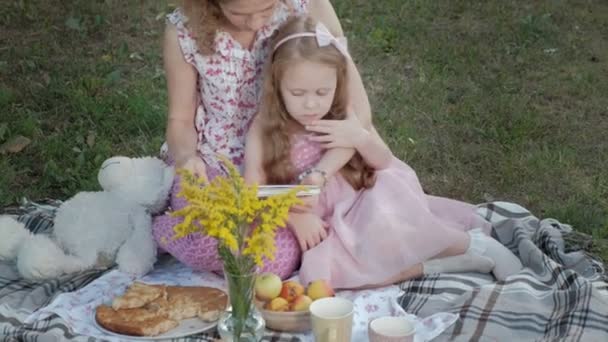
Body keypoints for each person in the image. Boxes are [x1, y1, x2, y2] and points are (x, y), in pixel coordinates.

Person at [244, 15, 523, 290]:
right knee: (325, 274)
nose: (310, 103)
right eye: (297, 92)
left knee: (385, 228)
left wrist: (358, 137)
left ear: (336, 86)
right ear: (276, 86)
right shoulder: (264, 126)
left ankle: (472, 244)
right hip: (324, 220)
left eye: (321, 91)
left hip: (361, 198)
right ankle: (442, 265)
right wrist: (294, 216)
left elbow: (382, 160)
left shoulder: (341, 114)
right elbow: (251, 189)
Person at [152, 0, 374, 280]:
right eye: (238, 14)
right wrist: (186, 157)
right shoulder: (184, 31)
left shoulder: (305, 7)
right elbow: (180, 120)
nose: (256, 23)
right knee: (208, 238)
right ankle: (158, 227)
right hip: (214, 163)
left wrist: (293, 204)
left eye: (266, 11)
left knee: (272, 263)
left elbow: (354, 102)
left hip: (283, 165)